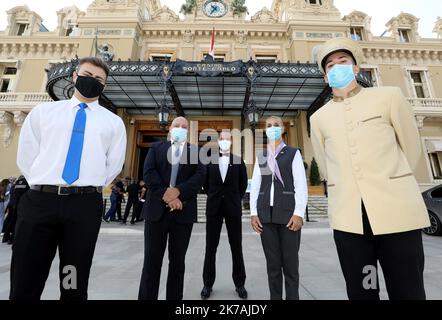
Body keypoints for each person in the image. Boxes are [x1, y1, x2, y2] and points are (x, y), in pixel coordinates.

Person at [310, 37, 430, 300]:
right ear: (325, 77)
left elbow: (411, 149)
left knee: (407, 290)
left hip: (396, 213)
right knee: (362, 291)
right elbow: (327, 166)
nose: (336, 67)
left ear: (356, 68)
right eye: (330, 65)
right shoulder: (318, 118)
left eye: (343, 61)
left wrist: (391, 180)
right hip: (351, 222)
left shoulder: (388, 97)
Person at [11, 56, 127, 300]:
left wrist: (85, 185)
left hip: (83, 208)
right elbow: (27, 155)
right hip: (40, 202)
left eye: (98, 79)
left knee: (73, 277)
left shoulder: (113, 123)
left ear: (104, 86)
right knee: (26, 276)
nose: (91, 81)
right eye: (86, 74)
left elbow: (113, 165)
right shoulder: (44, 112)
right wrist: (44, 182)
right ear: (74, 76)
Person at [138, 116, 205, 300]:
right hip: (156, 213)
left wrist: (178, 192)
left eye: (184, 126)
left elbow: (199, 177)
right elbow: (149, 173)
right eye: (177, 125)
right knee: (151, 262)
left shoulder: (196, 152)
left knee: (177, 264)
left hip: (183, 214)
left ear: (188, 132)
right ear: (170, 129)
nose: (180, 128)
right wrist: (167, 196)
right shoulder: (156, 148)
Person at [250, 116, 308, 300]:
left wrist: (299, 213)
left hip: (289, 216)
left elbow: (300, 185)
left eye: (276, 125)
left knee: (291, 267)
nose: (272, 128)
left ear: (283, 129)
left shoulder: (293, 153)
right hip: (266, 217)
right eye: (269, 126)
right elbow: (257, 186)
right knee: (273, 267)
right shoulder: (263, 156)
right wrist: (253, 213)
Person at [201, 131, 248, 300]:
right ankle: (207, 284)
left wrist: (232, 198)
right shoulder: (209, 160)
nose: (225, 141)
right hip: (214, 208)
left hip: (233, 208)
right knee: (210, 248)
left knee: (237, 247)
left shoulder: (238, 161)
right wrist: (215, 196)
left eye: (228, 139)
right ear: (218, 141)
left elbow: (242, 185)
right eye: (222, 139)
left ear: (232, 142)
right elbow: (205, 185)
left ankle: (240, 284)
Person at [2, 176, 29, 245]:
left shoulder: (16, 183)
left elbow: (12, 192)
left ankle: (6, 237)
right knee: (17, 222)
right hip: (20, 205)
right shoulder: (27, 182)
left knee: (11, 220)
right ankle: (12, 239)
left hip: (12, 203)